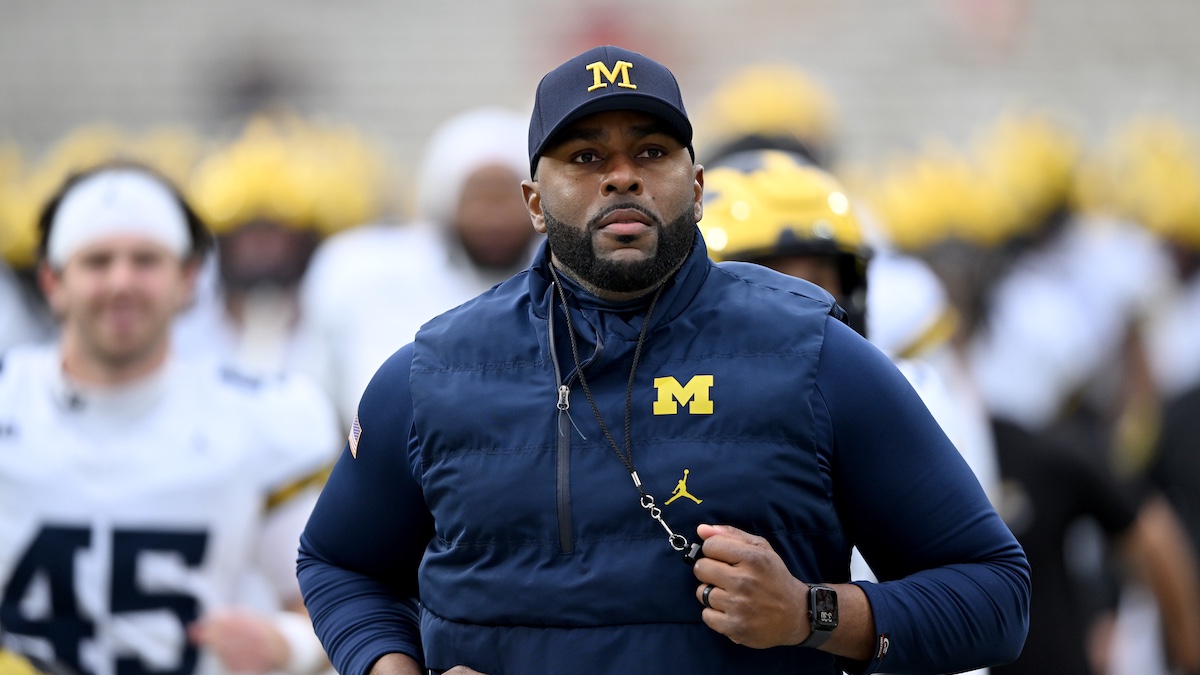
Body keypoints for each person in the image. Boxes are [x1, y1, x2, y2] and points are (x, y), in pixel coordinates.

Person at [297, 45, 1030, 675]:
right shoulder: (434, 371)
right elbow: (338, 563)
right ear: (534, 201)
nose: (622, 177)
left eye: (650, 152)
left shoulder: (816, 353)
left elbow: (997, 592)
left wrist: (811, 612)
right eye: (586, 157)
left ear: (698, 186)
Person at [0, 163, 341, 675]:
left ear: (188, 278)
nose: (121, 282)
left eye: (146, 260)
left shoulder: (260, 417)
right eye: (97, 261)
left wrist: (286, 644)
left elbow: (333, 600)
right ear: (53, 280)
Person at [299, 106, 537, 424]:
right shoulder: (365, 271)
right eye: (479, 197)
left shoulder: (563, 288)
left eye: (506, 197)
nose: (494, 218)